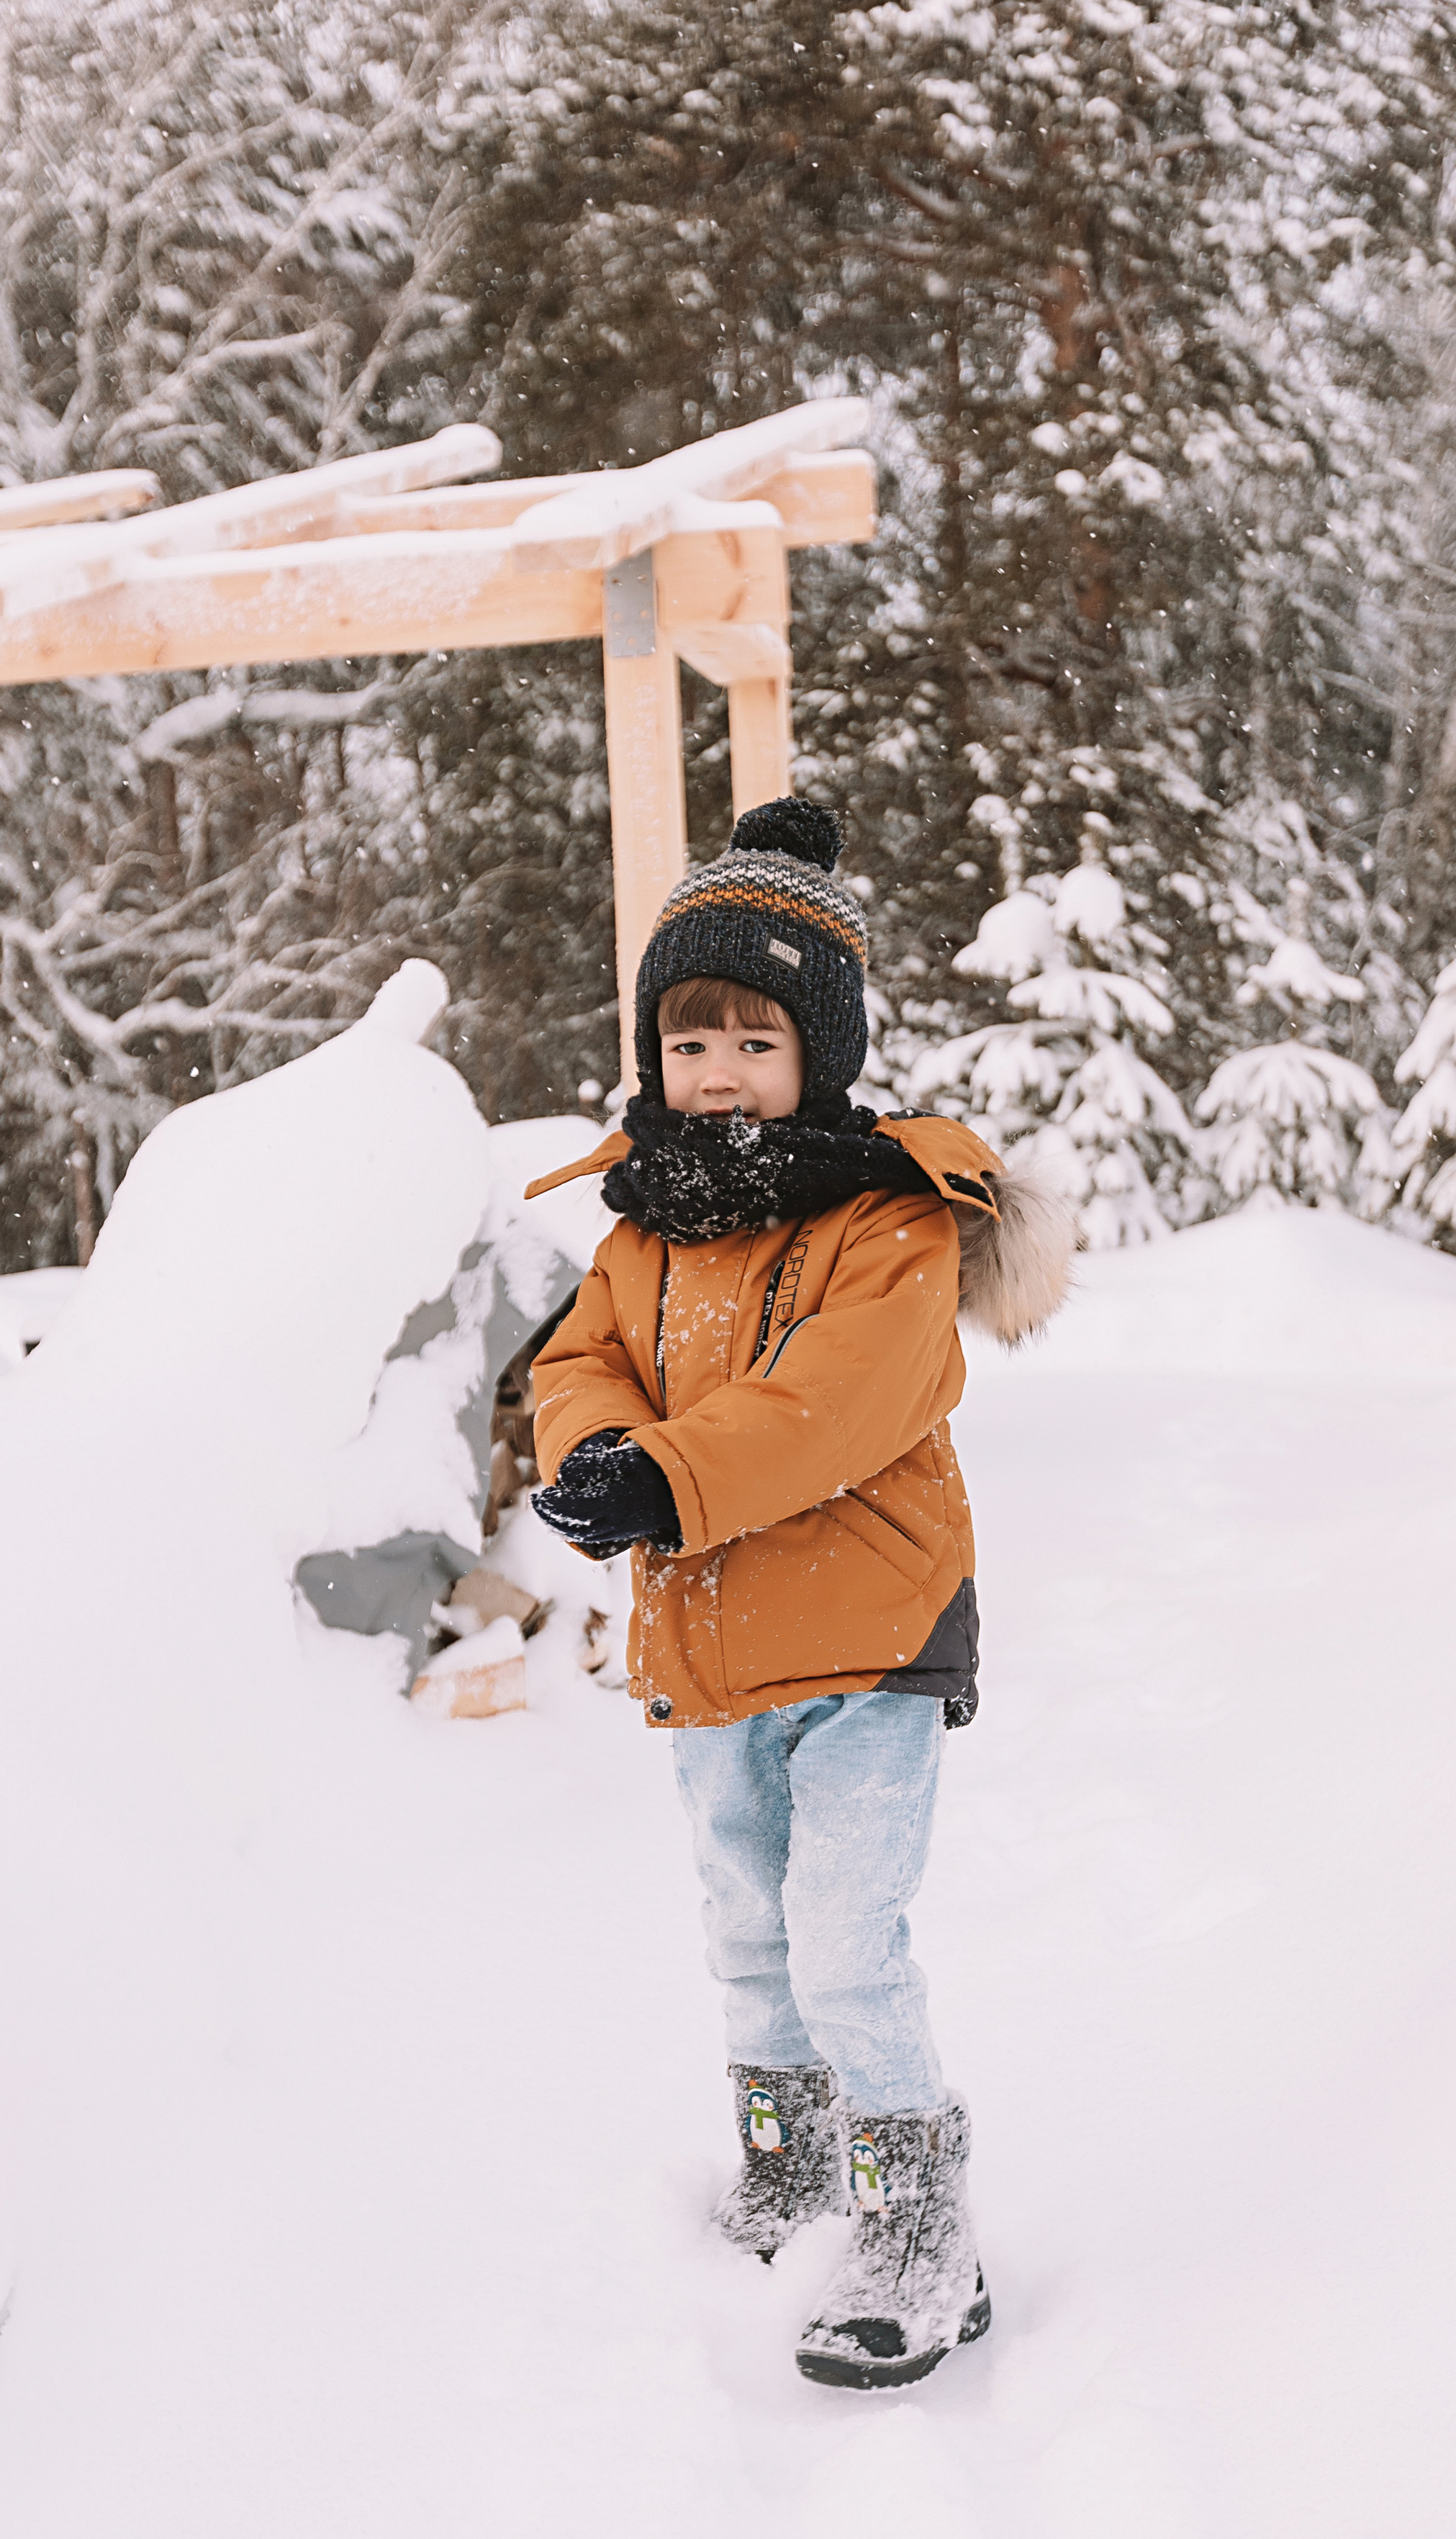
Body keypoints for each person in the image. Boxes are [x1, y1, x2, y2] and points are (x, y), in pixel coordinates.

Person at [523, 798, 1072, 2391]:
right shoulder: (649, 1223)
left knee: (842, 1939)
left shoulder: (886, 1217)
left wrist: (667, 1483)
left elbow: (839, 1402)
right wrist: (595, 1453)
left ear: (815, 1056)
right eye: (688, 1044)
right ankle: (791, 2154)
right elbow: (581, 1362)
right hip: (709, 1650)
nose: (715, 1075)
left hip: (869, 1642)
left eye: (753, 1043)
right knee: (745, 1932)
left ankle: (916, 2217)